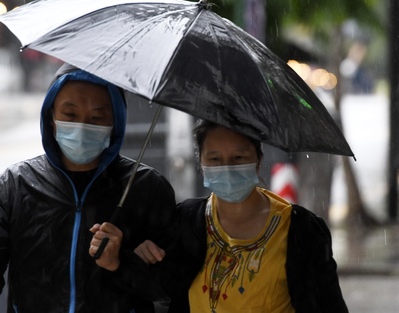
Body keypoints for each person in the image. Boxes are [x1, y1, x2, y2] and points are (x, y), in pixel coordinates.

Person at [0, 64, 177, 313]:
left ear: (115, 122)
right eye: (70, 115)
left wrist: (122, 263)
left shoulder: (148, 188)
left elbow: (174, 287)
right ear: (51, 118)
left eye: (96, 118)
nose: (82, 126)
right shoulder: (15, 185)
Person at [137, 119, 349, 313]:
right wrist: (138, 258)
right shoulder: (185, 221)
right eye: (214, 158)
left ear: (258, 160)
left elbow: (330, 306)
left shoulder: (301, 230)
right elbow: (159, 290)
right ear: (201, 164)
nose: (227, 168)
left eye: (238, 158)